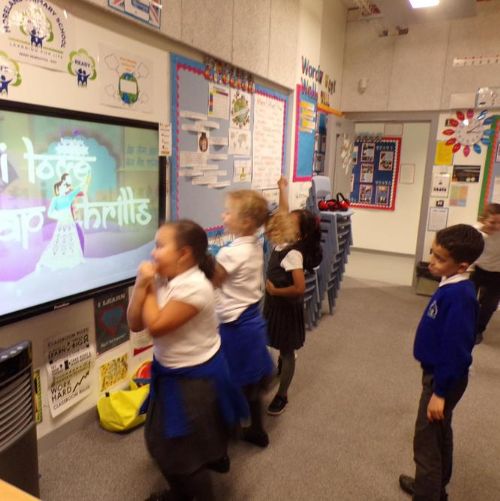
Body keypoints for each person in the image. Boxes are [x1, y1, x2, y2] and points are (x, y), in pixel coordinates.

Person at [127, 220, 248, 501]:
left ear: (183, 253)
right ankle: (204, 465)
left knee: (179, 457)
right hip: (173, 374)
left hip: (195, 381)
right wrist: (141, 285)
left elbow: (156, 326)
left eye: (160, 246)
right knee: (185, 443)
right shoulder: (164, 276)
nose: (153, 253)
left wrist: (146, 286)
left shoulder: (195, 286)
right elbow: (134, 323)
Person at [399, 224, 484, 501]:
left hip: (442, 379)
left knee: (425, 442)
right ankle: (435, 489)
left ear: (462, 266)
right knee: (439, 432)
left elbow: (456, 350)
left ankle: (427, 493)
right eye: (432, 253)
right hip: (440, 375)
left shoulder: (460, 296)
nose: (432, 262)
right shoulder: (450, 285)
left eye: (440, 258)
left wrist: (440, 392)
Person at [212, 190, 274, 448]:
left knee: (228, 382)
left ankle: (225, 437)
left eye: (228, 213)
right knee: (250, 382)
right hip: (250, 320)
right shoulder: (255, 244)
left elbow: (213, 281)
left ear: (246, 222)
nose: (223, 216)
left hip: (235, 327)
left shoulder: (231, 254)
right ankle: (257, 430)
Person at [264, 177, 322, 416]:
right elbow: (284, 212)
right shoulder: (282, 240)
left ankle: (282, 395)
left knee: (287, 350)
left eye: (291, 222)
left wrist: (276, 291)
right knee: (276, 340)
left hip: (286, 307)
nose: (285, 221)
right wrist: (282, 190)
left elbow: (299, 288)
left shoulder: (293, 254)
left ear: (300, 234)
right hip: (274, 305)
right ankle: (281, 363)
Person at [37, 173, 89, 270]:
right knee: (58, 242)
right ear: (58, 189)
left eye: (65, 186)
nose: (65, 187)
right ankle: (58, 258)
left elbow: (78, 189)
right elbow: (50, 212)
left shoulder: (69, 197)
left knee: (72, 241)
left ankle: (74, 257)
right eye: (62, 185)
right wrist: (61, 215)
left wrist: (84, 181)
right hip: (62, 224)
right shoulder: (55, 199)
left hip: (70, 223)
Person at [470, 203, 500, 344]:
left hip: (497, 273)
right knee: (468, 299)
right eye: (493, 222)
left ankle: (478, 330)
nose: (497, 226)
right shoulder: (476, 231)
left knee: (490, 305)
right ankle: (465, 324)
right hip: (479, 269)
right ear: (484, 219)